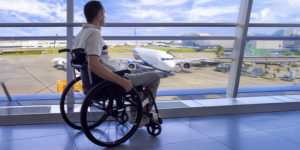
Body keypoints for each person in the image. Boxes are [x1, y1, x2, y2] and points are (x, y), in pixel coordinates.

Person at [73, 1, 160, 125]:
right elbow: (93, 65)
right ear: (99, 16)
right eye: (104, 14)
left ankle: (138, 102)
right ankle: (139, 117)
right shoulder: (94, 33)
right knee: (155, 77)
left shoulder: (80, 35)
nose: (105, 17)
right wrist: (122, 81)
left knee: (141, 72)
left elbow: (83, 65)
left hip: (100, 79)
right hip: (112, 79)